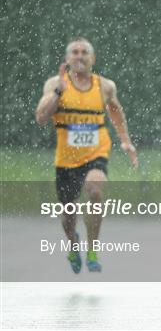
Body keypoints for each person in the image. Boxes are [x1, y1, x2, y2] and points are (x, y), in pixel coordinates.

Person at [36, 37, 138, 273]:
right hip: (66, 159)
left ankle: (92, 249)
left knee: (95, 190)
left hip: (96, 153)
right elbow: (41, 117)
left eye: (84, 52)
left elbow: (116, 111)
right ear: (67, 59)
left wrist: (125, 141)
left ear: (92, 59)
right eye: (75, 52)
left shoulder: (105, 86)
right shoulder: (55, 84)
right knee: (68, 213)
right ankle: (73, 245)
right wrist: (57, 94)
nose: (79, 56)